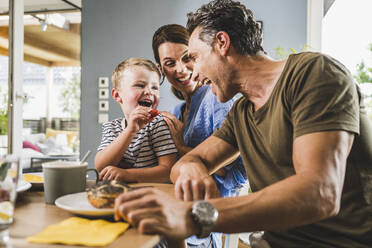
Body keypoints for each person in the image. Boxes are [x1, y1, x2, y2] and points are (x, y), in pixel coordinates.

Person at [114, 0, 372, 247]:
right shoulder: (242, 112)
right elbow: (185, 164)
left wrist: (194, 214)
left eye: (195, 57)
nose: (195, 72)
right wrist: (193, 166)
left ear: (222, 43)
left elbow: (319, 194)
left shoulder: (314, 74)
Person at [152, 24, 247, 247]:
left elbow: (226, 168)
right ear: (160, 70)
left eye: (187, 58)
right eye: (170, 63)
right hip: (180, 208)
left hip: (208, 223)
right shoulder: (177, 111)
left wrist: (178, 145)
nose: (181, 69)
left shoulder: (216, 97)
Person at [95, 58, 178, 183]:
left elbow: (169, 171)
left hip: (153, 194)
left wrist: (127, 174)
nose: (149, 91)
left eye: (155, 87)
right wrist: (130, 130)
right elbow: (100, 166)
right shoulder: (112, 127)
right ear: (117, 95)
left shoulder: (158, 124)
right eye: (140, 85)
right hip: (119, 194)